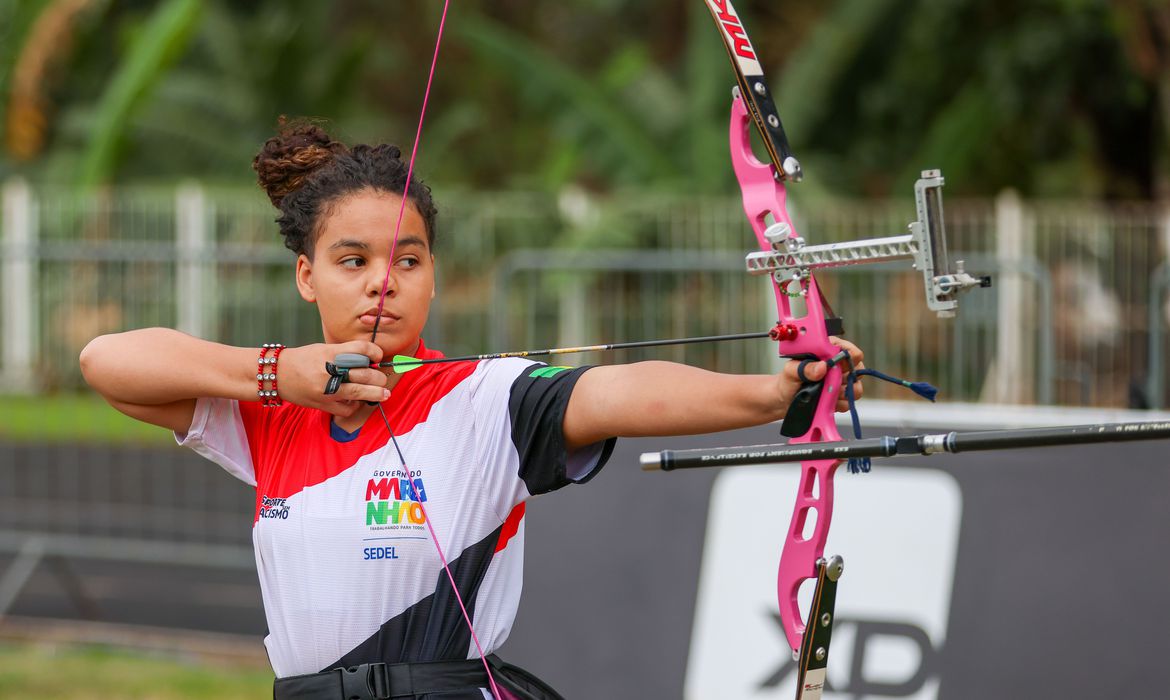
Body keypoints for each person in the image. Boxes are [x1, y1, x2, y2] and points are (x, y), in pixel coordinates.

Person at [79, 121, 865, 700]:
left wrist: (771, 391)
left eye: (408, 260)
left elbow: (619, 390)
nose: (383, 282)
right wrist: (277, 372)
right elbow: (106, 363)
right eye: (352, 260)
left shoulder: (488, 395)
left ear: (432, 276)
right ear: (306, 276)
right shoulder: (270, 410)